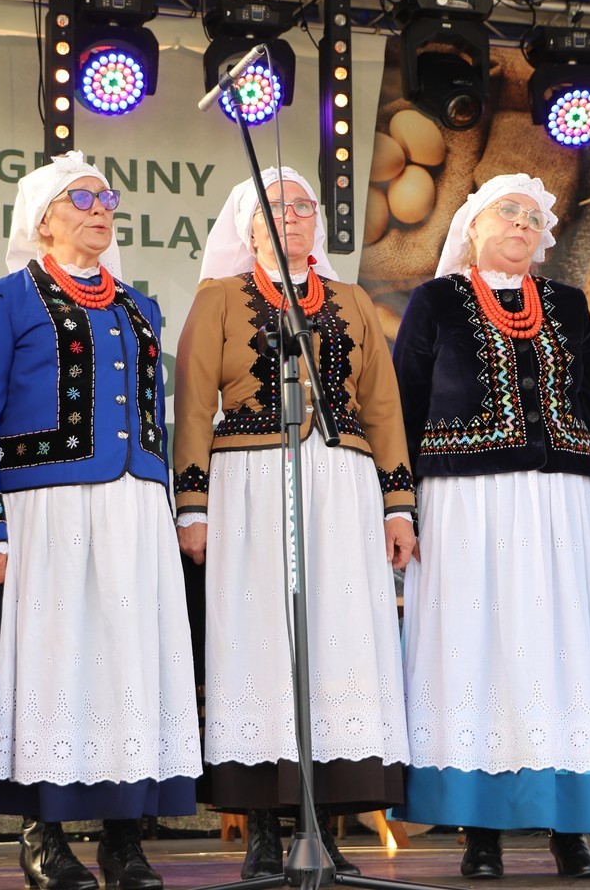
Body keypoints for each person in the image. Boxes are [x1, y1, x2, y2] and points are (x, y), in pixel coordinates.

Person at [392, 172, 590, 879]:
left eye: (534, 216)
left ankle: (570, 825)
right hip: (465, 502)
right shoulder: (435, 301)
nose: (521, 222)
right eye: (507, 211)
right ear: (473, 226)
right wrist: (398, 505)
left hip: (565, 502)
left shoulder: (567, 304)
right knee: (477, 651)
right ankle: (479, 829)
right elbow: (403, 405)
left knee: (564, 650)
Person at [0, 151, 200, 890]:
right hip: (45, 508)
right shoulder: (2, 301)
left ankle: (125, 839)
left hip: (134, 507)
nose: (100, 210)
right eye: (81, 199)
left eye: (106, 198)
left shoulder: (138, 307)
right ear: (42, 221)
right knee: (51, 661)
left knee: (130, 661)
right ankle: (44, 832)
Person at [172, 167, 414, 877]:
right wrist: (193, 503)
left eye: (304, 206)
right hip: (250, 482)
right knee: (260, 639)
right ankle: (262, 831)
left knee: (339, 641)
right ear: (247, 227)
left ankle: (326, 825)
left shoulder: (351, 300)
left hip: (343, 483)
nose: (293, 216)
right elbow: (194, 402)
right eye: (275, 207)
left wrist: (397, 503)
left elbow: (383, 405)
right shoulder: (219, 298)